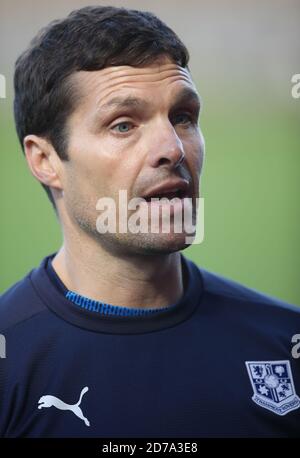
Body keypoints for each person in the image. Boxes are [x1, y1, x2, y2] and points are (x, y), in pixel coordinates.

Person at [0, 5, 299, 438]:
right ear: (45, 160)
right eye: (123, 125)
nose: (173, 148)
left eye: (183, 117)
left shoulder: (283, 343)